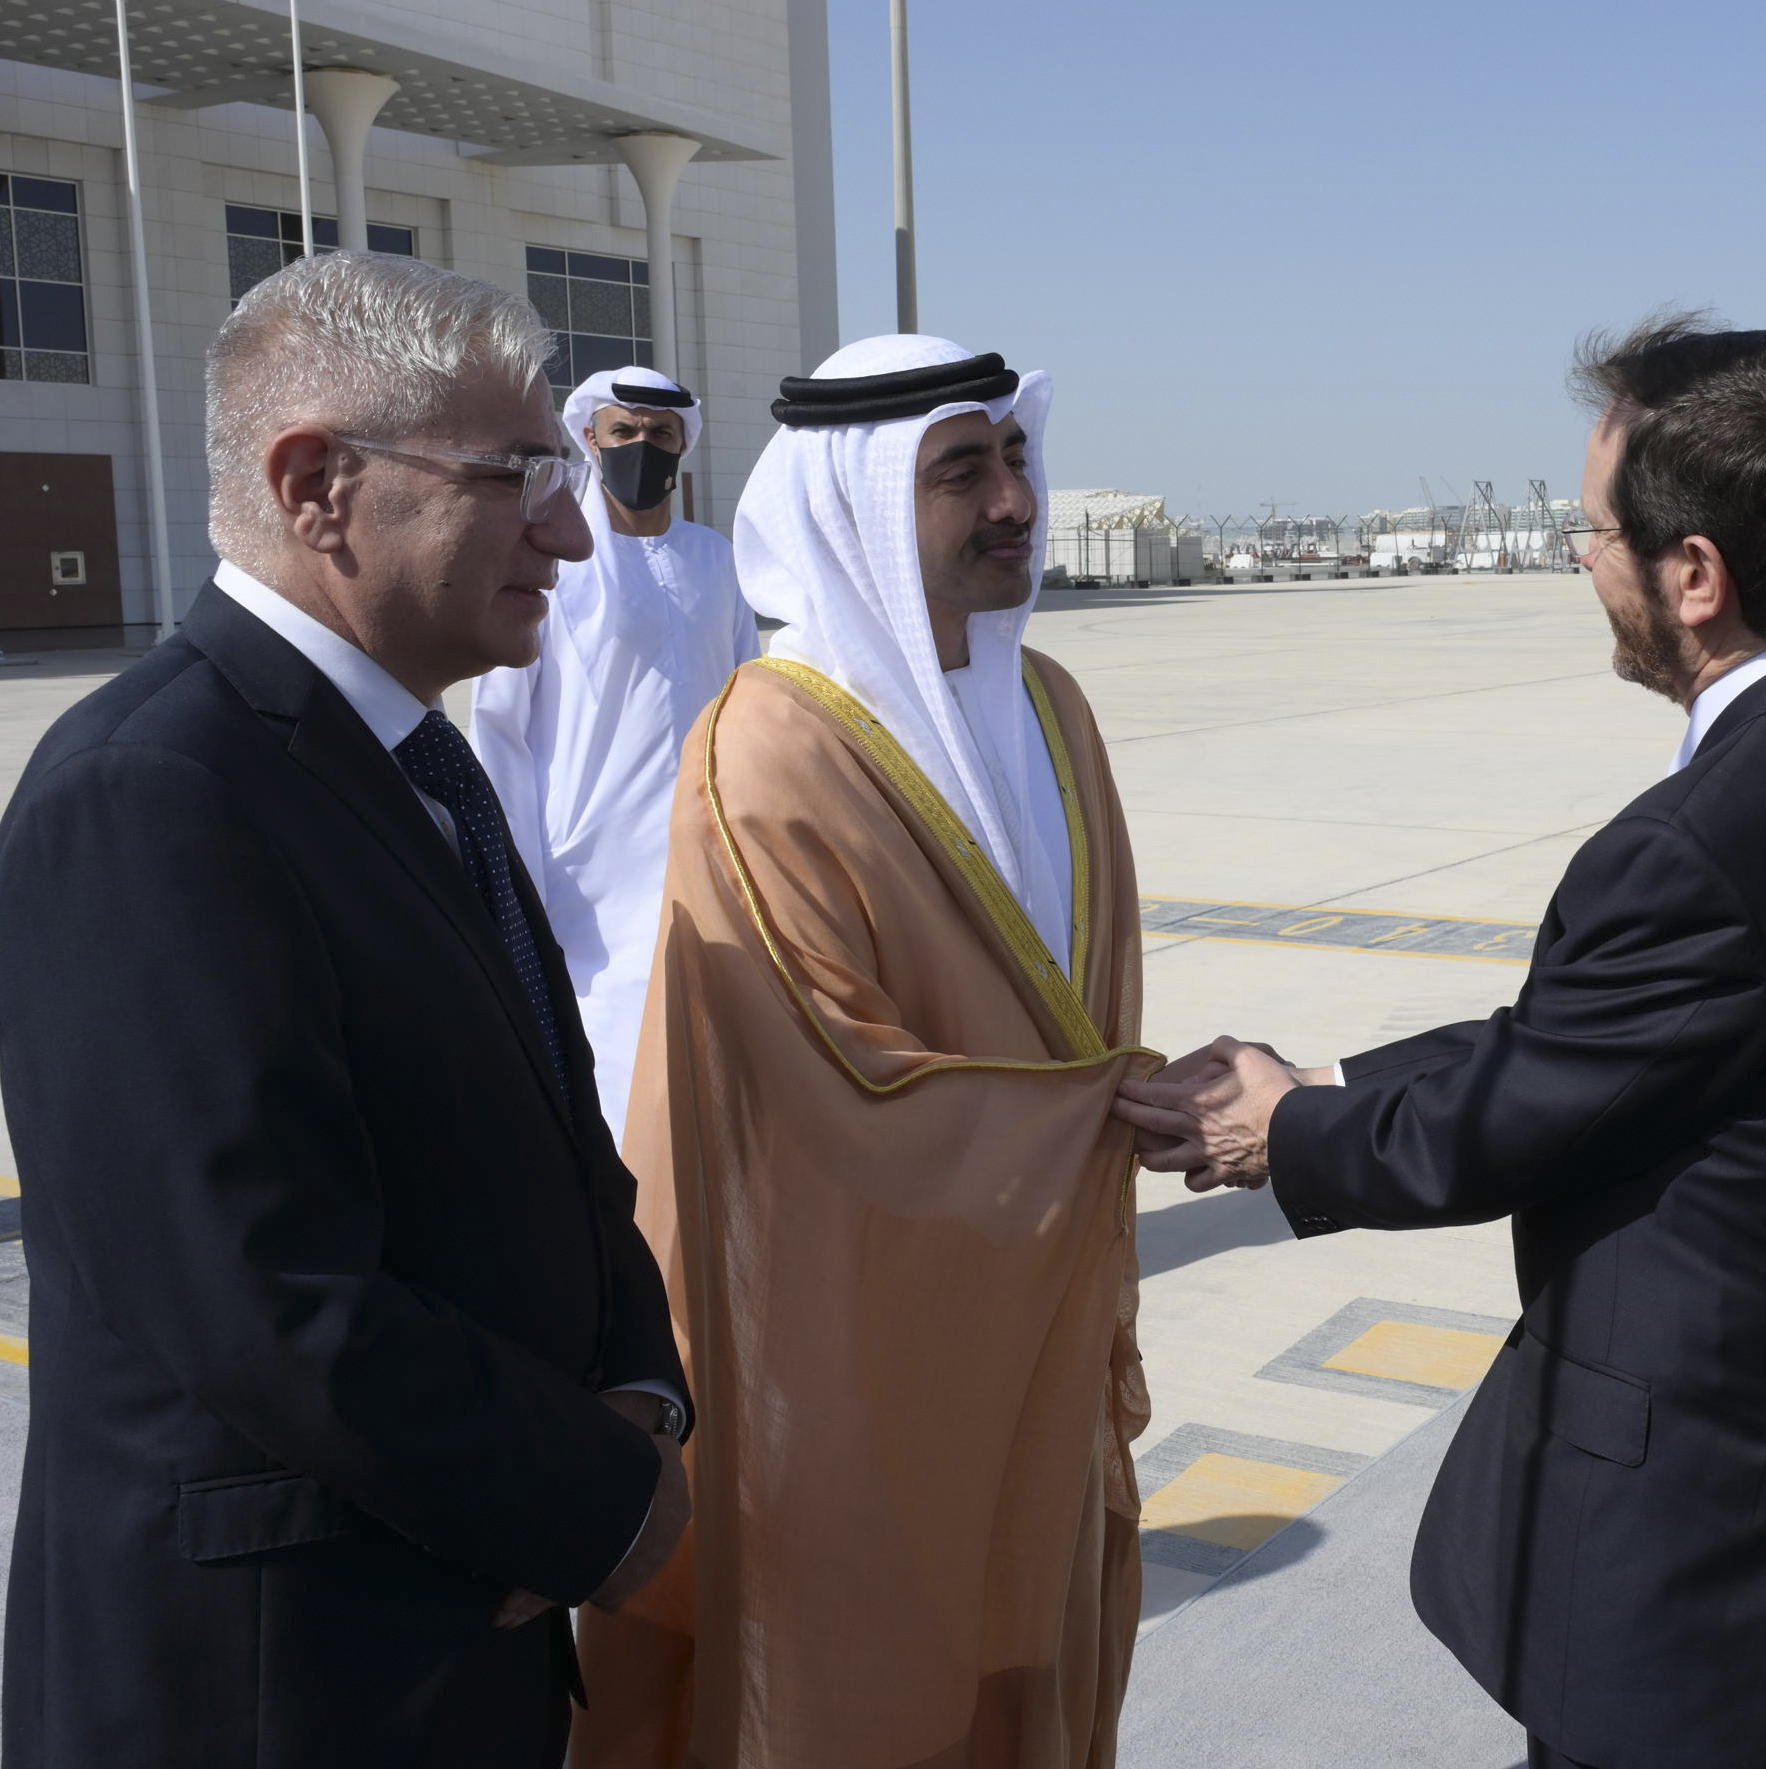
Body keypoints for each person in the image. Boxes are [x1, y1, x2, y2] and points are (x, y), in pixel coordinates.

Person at [1116, 316, 1766, 1769]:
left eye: (1591, 531)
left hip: (1694, 1554)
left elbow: (1520, 1108)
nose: (1578, 561)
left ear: (1695, 575)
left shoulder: (1704, 838)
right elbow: (1602, 1037)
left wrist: (1275, 1129)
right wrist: (1335, 1076)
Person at [0, 252, 691, 1766]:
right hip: (276, 1683)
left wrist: (636, 1385)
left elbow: (558, 1144)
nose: (573, 530)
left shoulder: (412, 763)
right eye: (518, 475)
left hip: (445, 1635)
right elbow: (262, 1291)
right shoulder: (152, 794)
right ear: (316, 485)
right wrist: (592, 1493)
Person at [570, 336, 1155, 1769]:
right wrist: (1116, 1113)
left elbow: (1092, 996)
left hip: (1039, 1319)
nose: (1012, 499)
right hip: (851, 1349)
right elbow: (834, 1090)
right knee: (859, 1671)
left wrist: (1109, 1109)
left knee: (1031, 1641)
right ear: (856, 506)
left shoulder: (1053, 709)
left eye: (1013, 456)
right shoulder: (767, 746)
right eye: (962, 472)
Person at [471, 367, 760, 1144]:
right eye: (624, 430)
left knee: (716, 1081)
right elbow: (501, 725)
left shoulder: (716, 560)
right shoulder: (554, 561)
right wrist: (515, 877)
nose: (642, 446)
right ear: (590, 439)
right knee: (613, 1083)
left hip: (707, 858)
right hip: (583, 876)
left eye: (660, 433)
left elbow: (746, 707)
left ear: (683, 446)